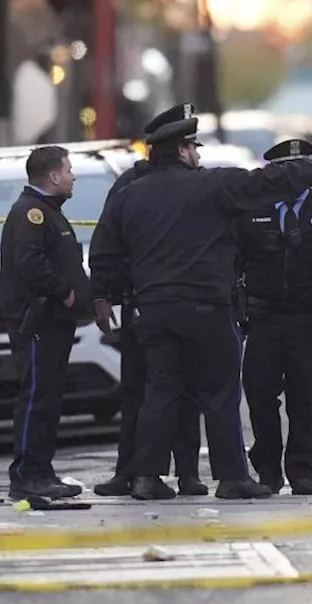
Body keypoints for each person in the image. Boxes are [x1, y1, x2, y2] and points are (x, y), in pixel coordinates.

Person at [90, 104, 312, 500]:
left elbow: (105, 248)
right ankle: (232, 477)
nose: (198, 153)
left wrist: (104, 295)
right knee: (219, 392)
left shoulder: (130, 194)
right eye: (193, 147)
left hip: (153, 310)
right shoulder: (211, 186)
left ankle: (146, 477)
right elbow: (268, 182)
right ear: (180, 150)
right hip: (205, 309)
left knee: (161, 391)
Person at [94, 106, 206, 498]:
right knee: (137, 391)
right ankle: (129, 470)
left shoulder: (195, 182)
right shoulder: (130, 184)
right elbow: (107, 243)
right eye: (189, 144)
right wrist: (103, 295)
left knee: (184, 391)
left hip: (169, 301)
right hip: (139, 300)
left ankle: (187, 472)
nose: (195, 152)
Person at [234, 138, 312, 496]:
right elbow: (234, 263)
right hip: (263, 319)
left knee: (303, 399)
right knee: (260, 397)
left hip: (306, 319)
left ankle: (302, 471)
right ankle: (267, 468)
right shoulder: (251, 211)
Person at [0, 146, 93, 501]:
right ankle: (25, 474)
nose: (73, 176)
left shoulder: (48, 211)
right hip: (39, 320)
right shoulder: (32, 213)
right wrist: (65, 292)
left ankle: (42, 471)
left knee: (49, 399)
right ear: (53, 175)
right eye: (68, 170)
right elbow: (31, 263)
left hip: (55, 321)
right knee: (37, 396)